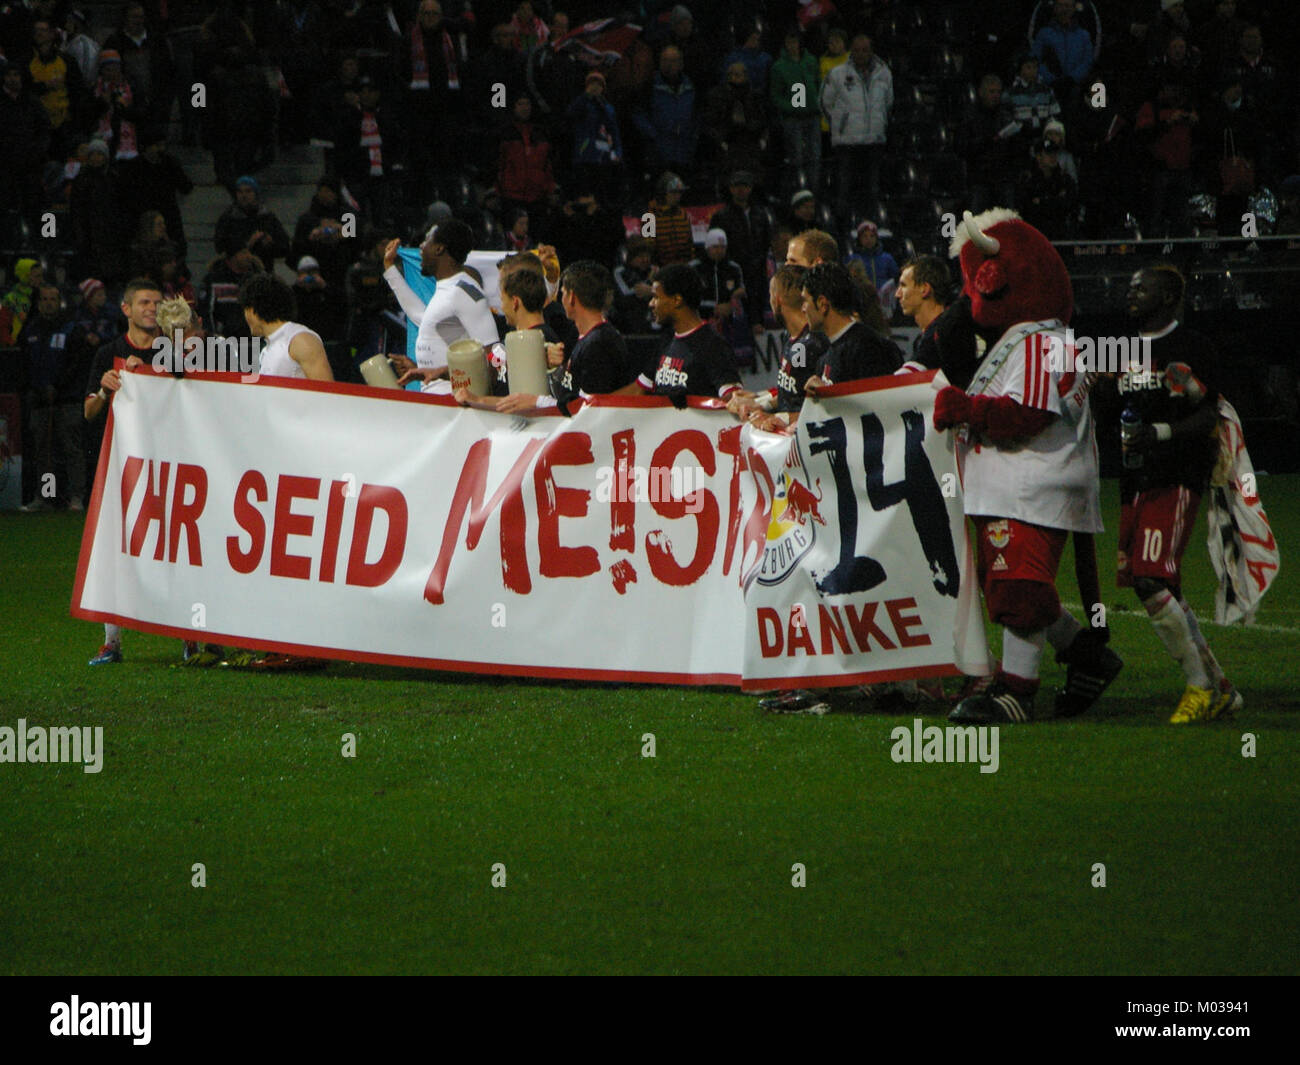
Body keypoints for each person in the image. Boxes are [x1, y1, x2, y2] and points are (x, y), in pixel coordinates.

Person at [1097, 266, 1241, 722]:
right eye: (1130, 285)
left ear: (1171, 296)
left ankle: (1198, 687)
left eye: (1143, 287)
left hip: (1176, 475)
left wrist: (1158, 433)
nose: (1131, 292)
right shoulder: (1123, 348)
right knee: (1161, 587)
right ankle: (1221, 688)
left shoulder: (1192, 347)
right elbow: (1115, 407)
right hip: (1134, 478)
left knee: (1150, 579)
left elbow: (1207, 417)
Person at [84, 278, 164, 666]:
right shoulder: (108, 353)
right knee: (114, 546)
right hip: (122, 466)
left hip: (171, 467)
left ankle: (194, 639)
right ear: (126, 309)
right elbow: (88, 411)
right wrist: (105, 389)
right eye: (144, 302)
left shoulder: (177, 351)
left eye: (157, 303)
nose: (152, 308)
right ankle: (111, 641)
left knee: (177, 548)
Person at [382, 218, 500, 392]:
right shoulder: (447, 289)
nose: (421, 246)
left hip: (456, 408)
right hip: (439, 404)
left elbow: (497, 357)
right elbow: (420, 316)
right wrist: (421, 370)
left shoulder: (465, 292)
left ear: (439, 248)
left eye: (427, 240)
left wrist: (477, 400)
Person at [727, 263, 827, 430]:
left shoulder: (814, 344)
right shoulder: (791, 337)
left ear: (777, 298)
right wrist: (759, 401)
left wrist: (777, 417)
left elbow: (821, 407)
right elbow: (791, 394)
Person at [631, 263, 740, 402]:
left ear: (677, 300)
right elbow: (639, 389)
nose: (651, 303)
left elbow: (733, 396)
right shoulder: (667, 339)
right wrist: (596, 407)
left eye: (656, 297)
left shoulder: (712, 345)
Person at [20, 284, 87, 511]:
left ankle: (76, 497)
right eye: (45, 299)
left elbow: (76, 364)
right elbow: (25, 366)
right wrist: (38, 389)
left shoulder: (71, 328)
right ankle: (45, 496)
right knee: (43, 451)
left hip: (66, 399)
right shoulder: (30, 330)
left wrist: (57, 386)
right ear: (38, 303)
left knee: (71, 449)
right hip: (40, 401)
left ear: (60, 302)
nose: (49, 303)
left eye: (53, 299)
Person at [819, 35, 892, 225]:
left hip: (874, 140)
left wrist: (879, 122)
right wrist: (842, 123)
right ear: (851, 51)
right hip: (847, 142)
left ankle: (870, 229)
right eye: (857, 50)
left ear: (871, 51)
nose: (861, 54)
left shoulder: (884, 73)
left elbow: (888, 103)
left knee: (872, 189)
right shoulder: (837, 74)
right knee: (844, 188)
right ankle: (842, 229)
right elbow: (825, 103)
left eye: (865, 50)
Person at [800, 262, 901, 393]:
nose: (802, 309)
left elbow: (879, 404)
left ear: (822, 304)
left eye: (805, 301)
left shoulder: (868, 348)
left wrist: (830, 395)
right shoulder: (826, 356)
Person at [238, 272, 334, 382]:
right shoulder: (267, 350)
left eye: (245, 309)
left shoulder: (301, 340)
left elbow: (326, 391)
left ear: (252, 310)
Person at [213, 176, 291, 273]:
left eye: (248, 191)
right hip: (235, 274)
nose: (244, 195)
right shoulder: (227, 219)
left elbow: (284, 247)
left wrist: (270, 244)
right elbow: (220, 247)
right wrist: (246, 245)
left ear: (256, 193)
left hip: (263, 273)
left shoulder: (268, 218)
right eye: (240, 192)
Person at [895, 255, 952, 373]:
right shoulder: (933, 333)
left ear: (924, 289)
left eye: (903, 285)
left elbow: (905, 379)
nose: (897, 294)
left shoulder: (940, 333)